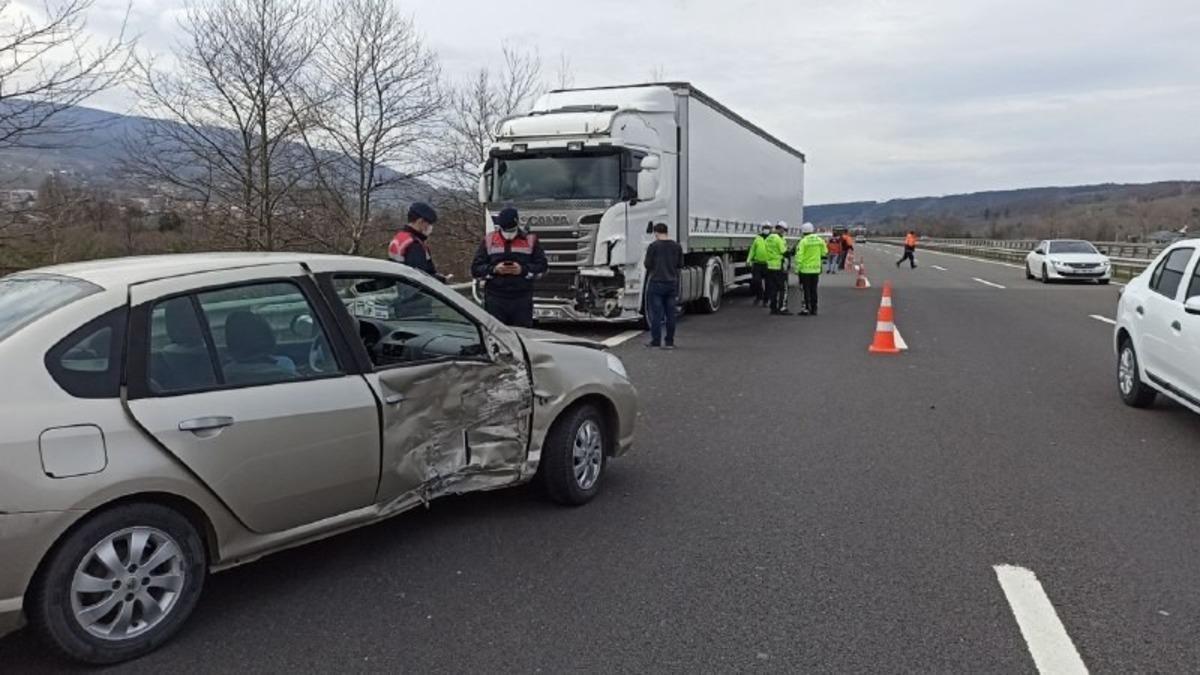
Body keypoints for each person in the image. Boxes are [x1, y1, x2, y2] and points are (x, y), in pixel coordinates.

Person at [471, 207, 548, 328]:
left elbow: (542, 266)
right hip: (495, 298)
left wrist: (523, 269)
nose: (508, 236)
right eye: (505, 231)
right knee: (497, 336)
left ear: (517, 224)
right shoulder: (489, 240)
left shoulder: (530, 240)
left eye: (511, 231)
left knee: (523, 336)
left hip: (521, 299)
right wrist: (494, 269)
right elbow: (475, 269)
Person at [643, 222, 683, 348]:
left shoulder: (653, 246)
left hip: (656, 283)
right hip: (671, 284)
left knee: (656, 314)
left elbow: (647, 264)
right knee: (671, 314)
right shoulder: (677, 247)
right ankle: (669, 342)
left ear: (656, 233)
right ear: (666, 232)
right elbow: (680, 264)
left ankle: (656, 341)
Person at [388, 202, 441, 279]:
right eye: (429, 223)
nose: (430, 227)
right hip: (411, 289)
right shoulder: (414, 244)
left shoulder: (399, 237)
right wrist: (442, 279)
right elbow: (420, 277)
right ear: (420, 221)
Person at [795, 223, 828, 315]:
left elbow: (799, 255)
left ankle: (806, 308)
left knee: (806, 290)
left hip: (805, 270)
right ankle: (814, 308)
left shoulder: (803, 241)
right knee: (814, 289)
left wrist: (797, 268)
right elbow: (824, 252)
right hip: (816, 269)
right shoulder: (819, 240)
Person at [764, 223, 789, 315]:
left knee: (773, 288)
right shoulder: (778, 239)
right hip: (778, 266)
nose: (784, 232)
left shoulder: (768, 238)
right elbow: (784, 251)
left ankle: (773, 308)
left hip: (769, 266)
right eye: (784, 230)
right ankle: (782, 308)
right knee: (782, 288)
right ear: (780, 229)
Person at [747, 222, 772, 306]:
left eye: (768, 228)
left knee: (768, 283)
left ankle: (766, 300)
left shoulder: (772, 238)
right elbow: (752, 250)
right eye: (765, 227)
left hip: (768, 264)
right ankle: (759, 296)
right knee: (756, 281)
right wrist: (749, 260)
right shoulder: (758, 238)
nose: (766, 229)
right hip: (757, 263)